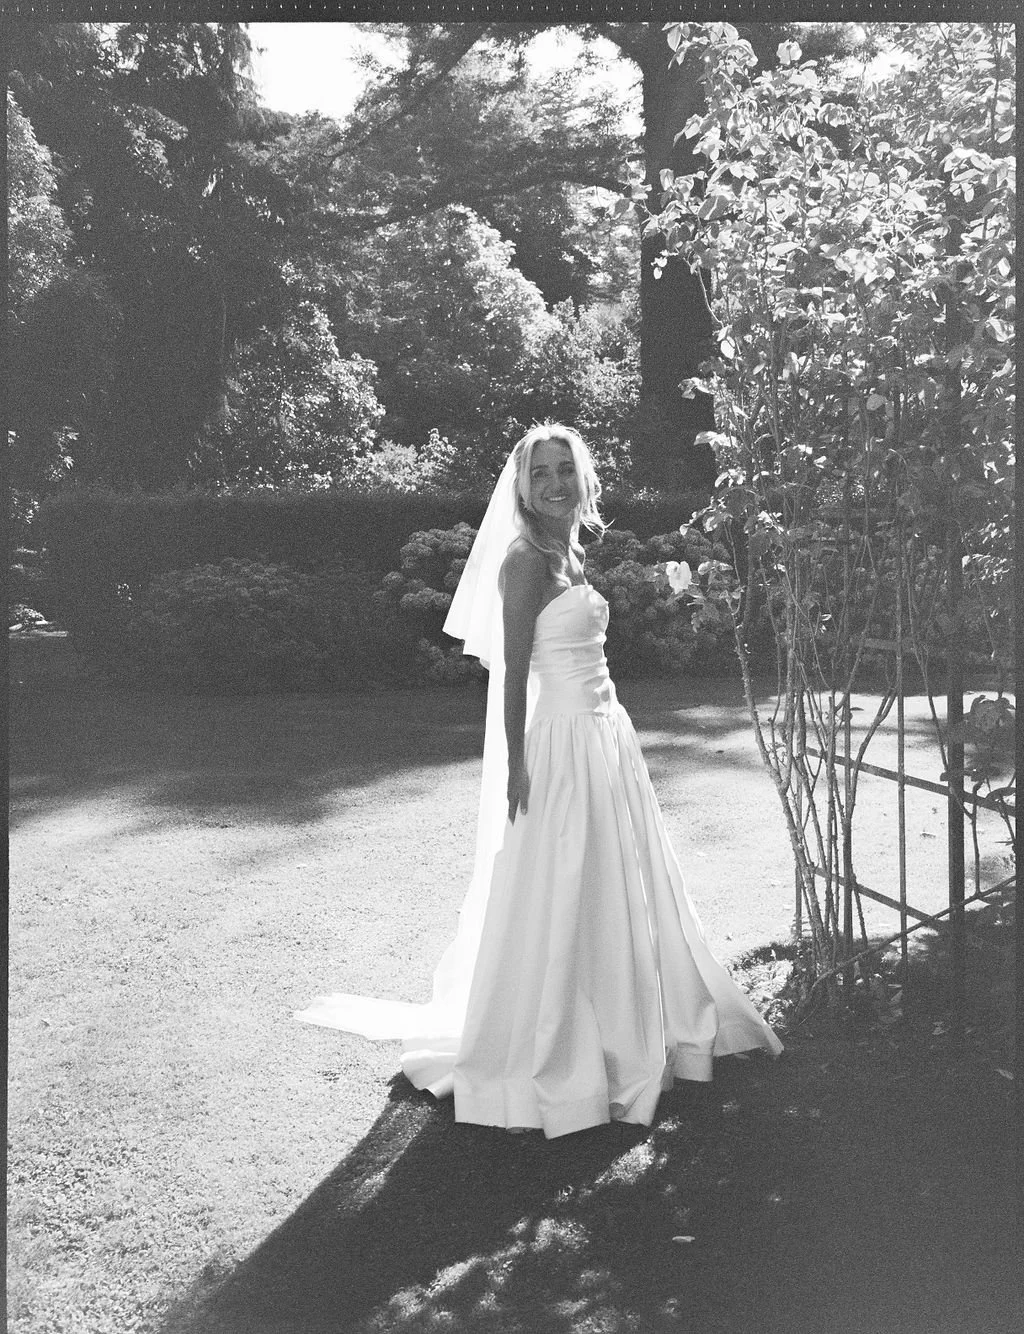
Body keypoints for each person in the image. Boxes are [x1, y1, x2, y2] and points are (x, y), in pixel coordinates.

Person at [297, 424, 782, 1137]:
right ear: (522, 487)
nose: (555, 482)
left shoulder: (570, 549)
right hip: (558, 744)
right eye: (541, 472)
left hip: (605, 737)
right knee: (557, 881)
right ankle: (554, 1035)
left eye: (566, 469)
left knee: (614, 882)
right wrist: (519, 764)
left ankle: (624, 1012)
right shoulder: (524, 561)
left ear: (584, 480)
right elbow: (514, 671)